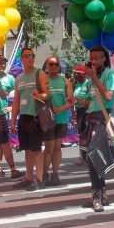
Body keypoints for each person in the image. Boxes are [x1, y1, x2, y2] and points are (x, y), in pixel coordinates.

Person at [81, 45, 114, 212]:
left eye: (97, 58)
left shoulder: (109, 74)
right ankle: (102, 191)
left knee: (93, 154)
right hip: (90, 119)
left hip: (102, 120)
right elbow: (89, 101)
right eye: (91, 58)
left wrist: (95, 78)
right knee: (92, 157)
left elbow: (109, 96)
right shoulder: (89, 78)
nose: (93, 61)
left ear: (104, 59)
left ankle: (96, 195)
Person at [11, 47, 48, 190]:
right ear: (21, 59)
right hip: (24, 117)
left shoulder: (40, 73)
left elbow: (47, 94)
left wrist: (40, 95)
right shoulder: (18, 79)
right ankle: (28, 177)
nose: (30, 58)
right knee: (27, 150)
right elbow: (15, 102)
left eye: (32, 55)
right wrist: (13, 121)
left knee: (36, 149)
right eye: (27, 56)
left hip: (36, 117)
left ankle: (39, 180)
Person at [42, 56, 73, 186]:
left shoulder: (65, 81)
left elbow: (71, 101)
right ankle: (44, 173)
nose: (54, 66)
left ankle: (55, 174)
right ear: (47, 66)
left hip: (61, 119)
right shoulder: (43, 81)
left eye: (56, 64)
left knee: (57, 147)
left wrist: (60, 109)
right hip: (47, 120)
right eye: (51, 64)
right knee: (49, 147)